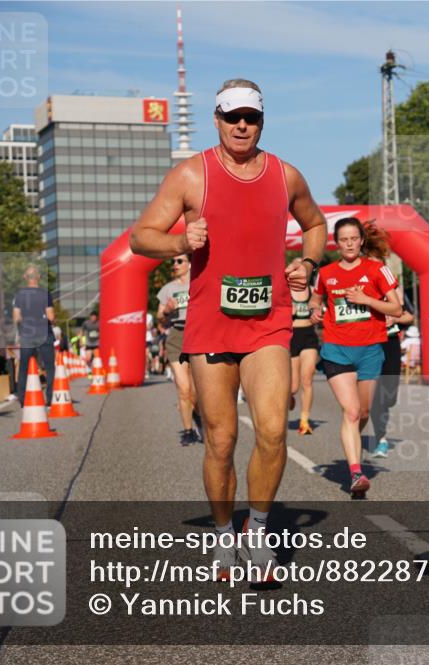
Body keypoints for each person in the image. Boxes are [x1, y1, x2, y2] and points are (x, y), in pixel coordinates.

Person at [130, 78, 326, 575]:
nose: (242, 125)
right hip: (210, 328)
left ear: (262, 121)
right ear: (216, 119)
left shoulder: (287, 176)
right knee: (220, 441)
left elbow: (316, 224)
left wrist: (308, 262)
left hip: (269, 324)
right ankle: (222, 535)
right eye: (233, 116)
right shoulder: (191, 176)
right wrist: (179, 243)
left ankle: (256, 532)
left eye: (251, 117)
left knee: (274, 430)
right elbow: (140, 237)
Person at [309, 218, 401, 498]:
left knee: (362, 412)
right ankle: (356, 473)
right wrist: (315, 309)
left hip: (371, 350)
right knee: (350, 412)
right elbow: (316, 298)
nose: (348, 244)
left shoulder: (377, 269)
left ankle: (353, 446)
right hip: (336, 349)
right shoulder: (326, 273)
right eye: (343, 239)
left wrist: (367, 300)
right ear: (336, 243)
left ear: (361, 240)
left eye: (353, 239)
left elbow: (396, 308)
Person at [157, 253, 199, 445]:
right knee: (184, 389)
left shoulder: (199, 281)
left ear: (190, 264)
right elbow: (160, 316)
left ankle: (197, 415)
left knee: (197, 393)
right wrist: (167, 310)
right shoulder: (168, 289)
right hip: (177, 335)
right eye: (173, 261)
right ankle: (188, 431)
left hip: (199, 335)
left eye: (179, 261)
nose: (175, 264)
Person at [370, 287, 414, 458]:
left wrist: (394, 316)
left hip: (391, 343)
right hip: (370, 344)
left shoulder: (395, 289)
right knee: (376, 397)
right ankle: (381, 439)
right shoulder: (362, 287)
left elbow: (410, 316)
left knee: (389, 396)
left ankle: (382, 407)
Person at [13, 264, 55, 404]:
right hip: (44, 334)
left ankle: (23, 399)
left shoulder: (19, 295)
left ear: (25, 278)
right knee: (49, 367)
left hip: (27, 335)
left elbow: (16, 317)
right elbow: (51, 317)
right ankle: (50, 398)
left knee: (24, 366)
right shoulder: (45, 294)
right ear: (38, 277)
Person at [289, 275, 319, 436]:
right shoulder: (286, 292)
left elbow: (319, 309)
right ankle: (289, 396)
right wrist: (288, 313)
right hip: (292, 337)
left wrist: (317, 313)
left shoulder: (313, 291)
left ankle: (304, 421)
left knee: (307, 378)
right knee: (293, 386)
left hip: (309, 336)